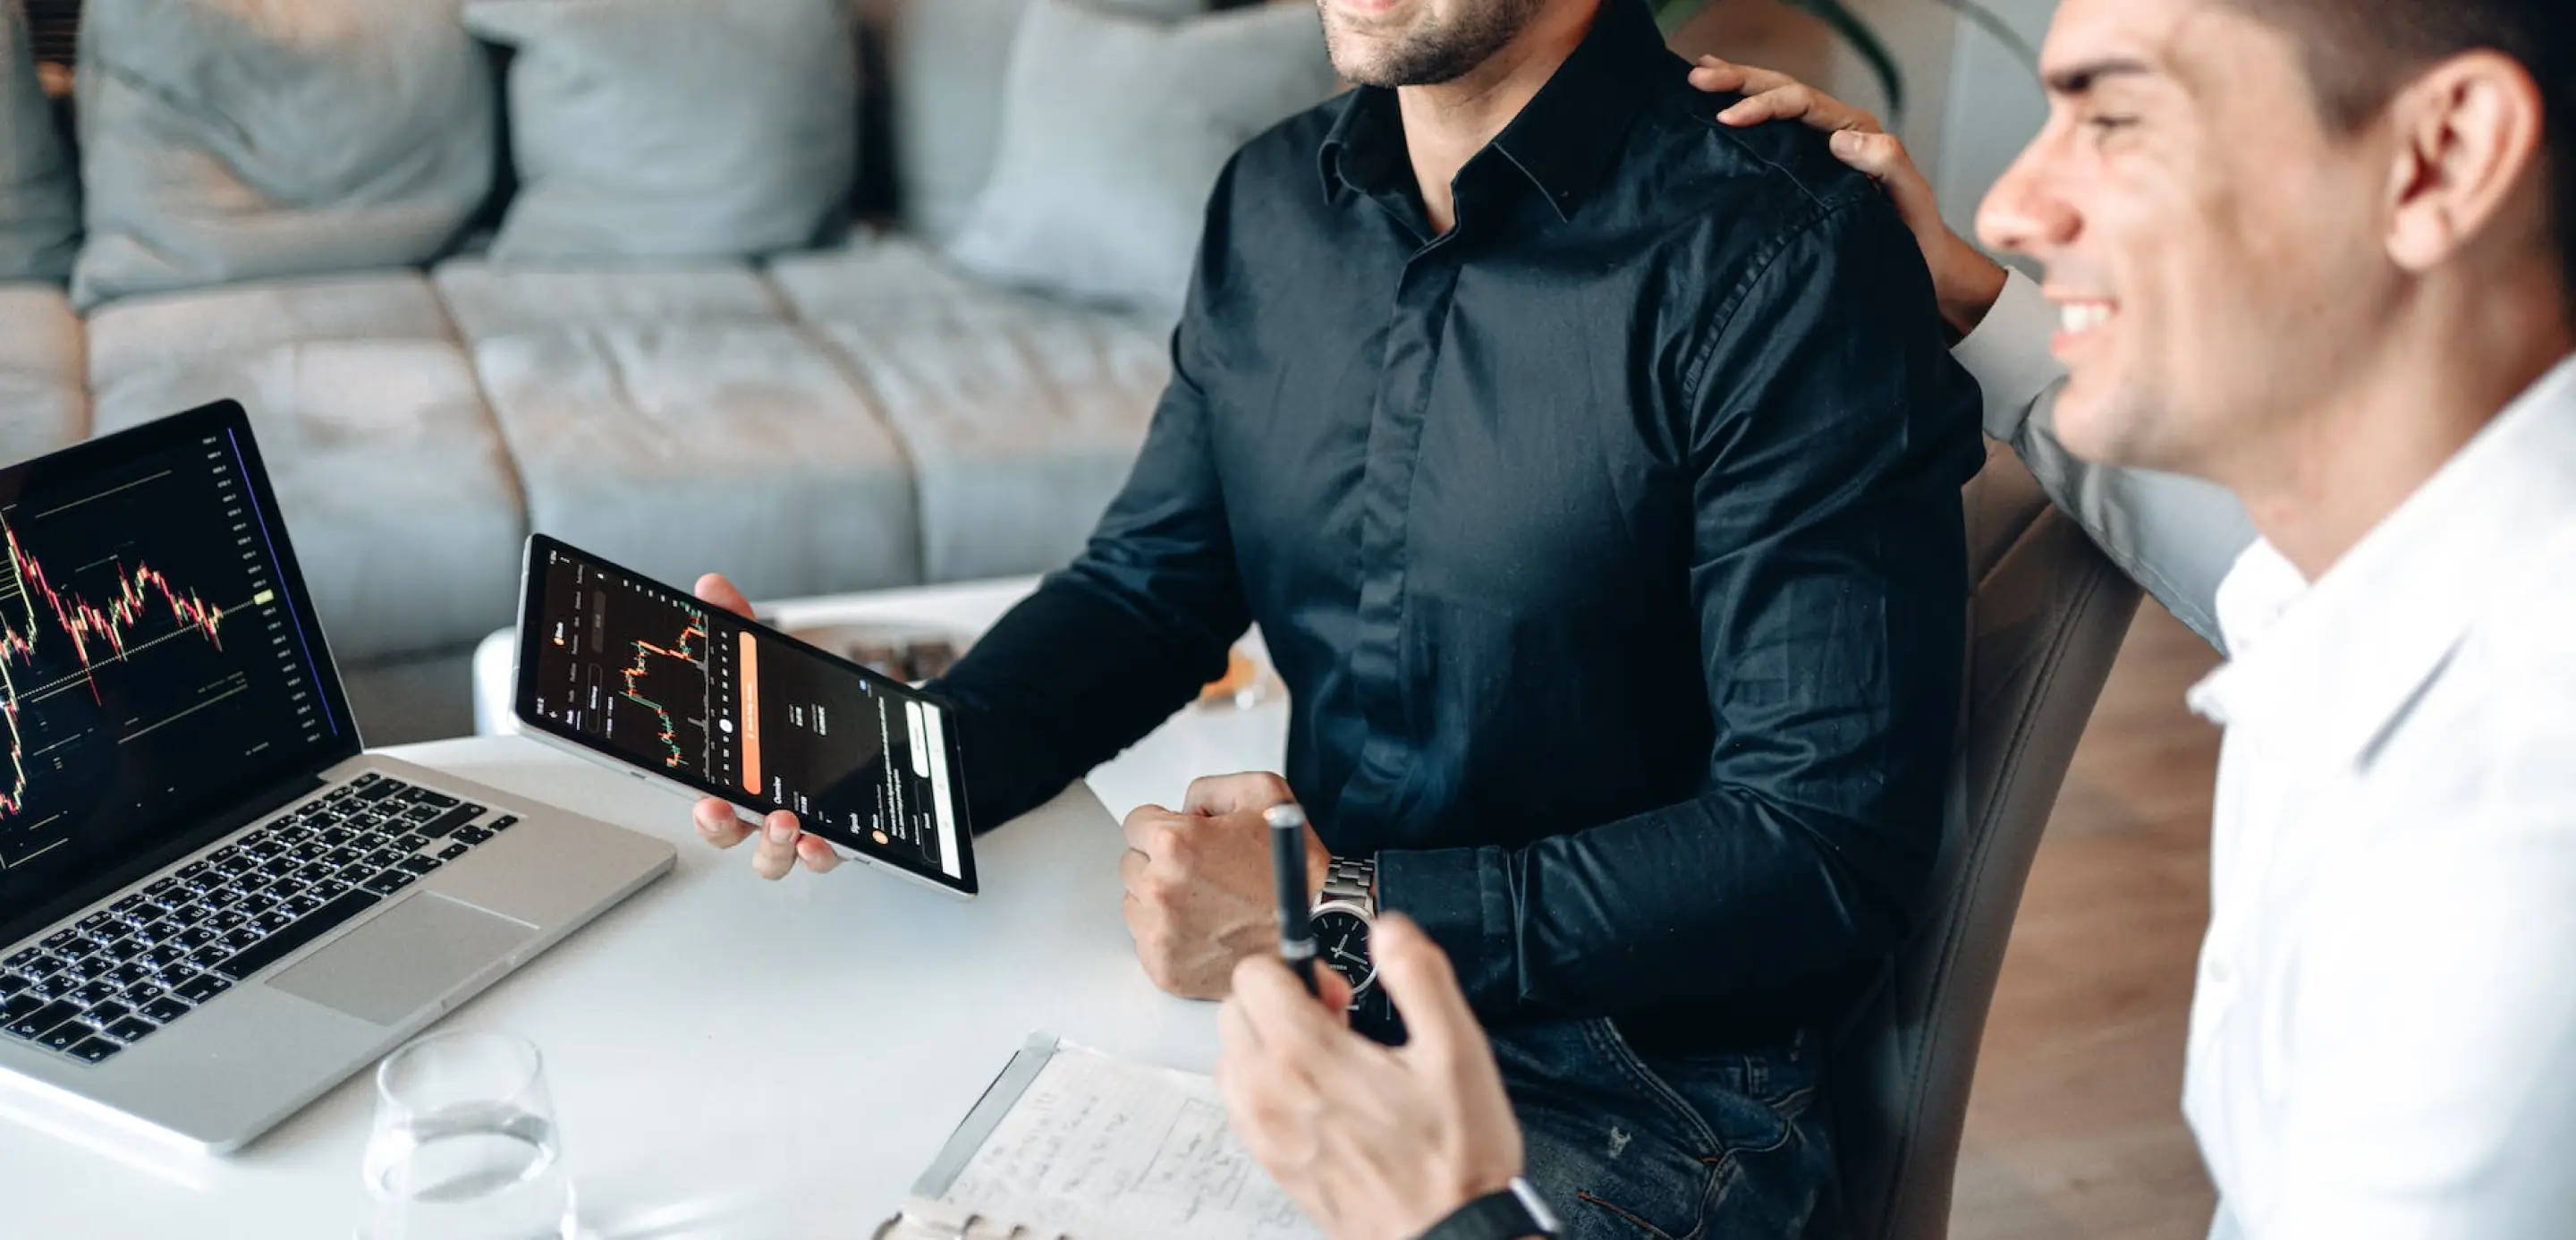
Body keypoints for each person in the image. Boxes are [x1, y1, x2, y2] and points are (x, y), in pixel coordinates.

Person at [1216, 0, 2576, 1236]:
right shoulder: (2375, 590)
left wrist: (1447, 1212)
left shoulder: (2497, 857)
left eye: (2116, 116)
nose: (2022, 201)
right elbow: (2236, 553)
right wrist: (1977, 301)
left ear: (2440, 157)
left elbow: (1810, 836)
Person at [688, 0, 1984, 1233]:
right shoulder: (1269, 201)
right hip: (1299, 1001)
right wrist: (884, 755)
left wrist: (1336, 910)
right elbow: (1147, 590)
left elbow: (1821, 845)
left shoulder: (1787, 250)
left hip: (1623, 1088)